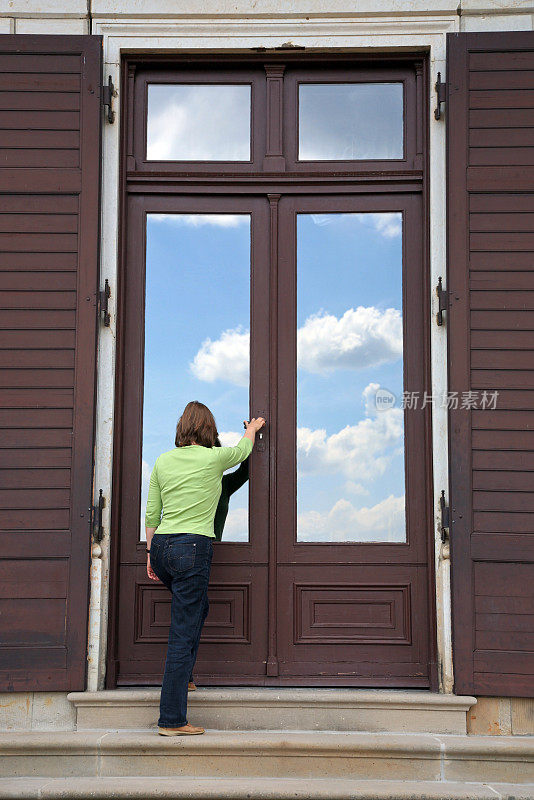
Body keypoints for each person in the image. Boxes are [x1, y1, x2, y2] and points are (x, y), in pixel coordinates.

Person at [144, 400, 266, 736]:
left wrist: (150, 556)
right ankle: (171, 719)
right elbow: (242, 453)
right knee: (182, 633)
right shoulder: (214, 458)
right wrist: (251, 430)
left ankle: (186, 677)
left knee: (197, 608)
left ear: (181, 428)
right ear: (209, 430)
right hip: (191, 548)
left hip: (164, 547)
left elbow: (152, 513)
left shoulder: (163, 460)